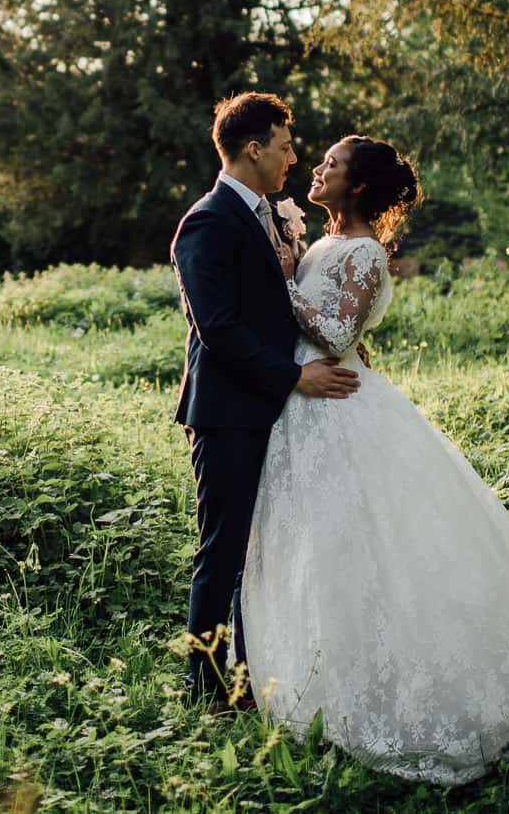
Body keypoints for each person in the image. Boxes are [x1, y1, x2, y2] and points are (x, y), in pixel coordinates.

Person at [241, 135, 509, 784]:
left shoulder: (366, 249)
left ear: (360, 186)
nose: (316, 169)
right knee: (313, 548)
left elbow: (341, 332)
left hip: (338, 407)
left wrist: (280, 276)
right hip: (301, 404)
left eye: (331, 166)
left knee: (367, 546)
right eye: (318, 162)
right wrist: (291, 270)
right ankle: (315, 672)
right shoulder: (319, 244)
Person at [170, 92, 362, 709]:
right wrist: (292, 377)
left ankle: (256, 674)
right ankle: (206, 690)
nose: (293, 157)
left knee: (267, 551)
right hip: (227, 413)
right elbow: (217, 329)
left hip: (276, 413)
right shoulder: (206, 221)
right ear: (253, 148)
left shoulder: (271, 215)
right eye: (284, 145)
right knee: (223, 551)